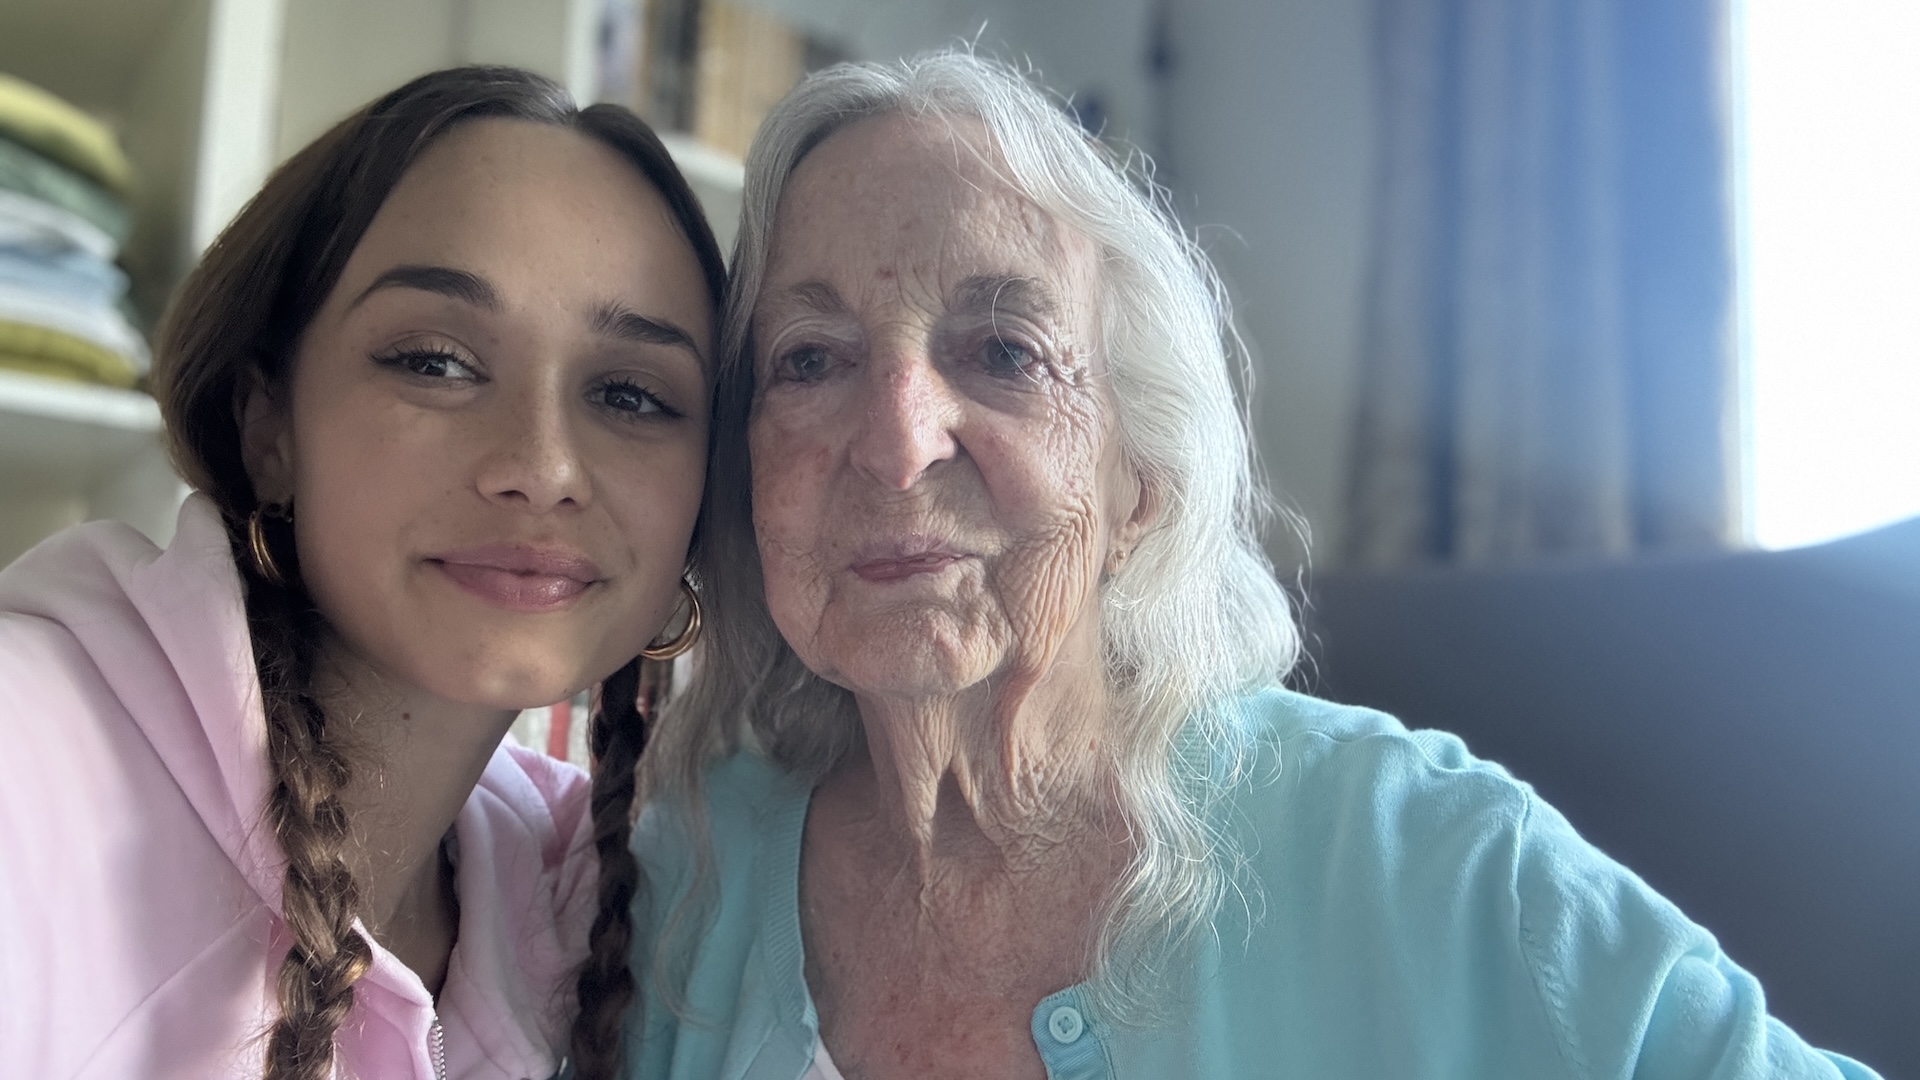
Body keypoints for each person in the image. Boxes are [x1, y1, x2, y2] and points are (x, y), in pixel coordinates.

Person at [622, 52, 1883, 1080]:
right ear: (747, 480)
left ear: (1140, 485)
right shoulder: (679, 874)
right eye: (809, 359)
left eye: (1003, 351)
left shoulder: (1424, 859)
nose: (897, 442)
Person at [0, 67, 722, 1080]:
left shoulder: (584, 888)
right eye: (434, 361)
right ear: (269, 425)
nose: (543, 469)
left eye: (631, 394)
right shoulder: (27, 776)